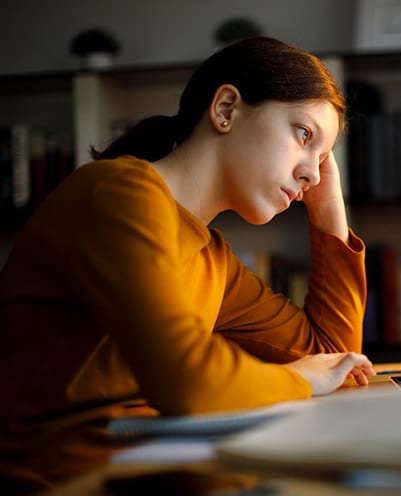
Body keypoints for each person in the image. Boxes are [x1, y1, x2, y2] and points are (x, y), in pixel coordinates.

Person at [0, 36, 374, 492]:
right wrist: (294, 380)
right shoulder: (118, 193)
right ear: (226, 109)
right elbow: (189, 383)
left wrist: (329, 211)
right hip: (64, 481)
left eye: (323, 160)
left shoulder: (211, 256)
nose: (312, 174)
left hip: (157, 470)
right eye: (303, 134)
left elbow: (332, 356)